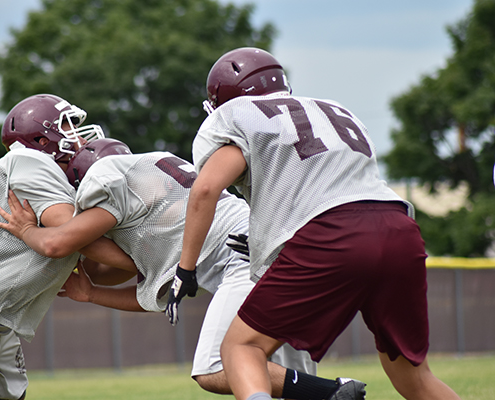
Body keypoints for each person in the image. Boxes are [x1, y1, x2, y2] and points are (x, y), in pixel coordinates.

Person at [168, 46, 462, 400]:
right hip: (398, 229)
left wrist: (185, 269)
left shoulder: (243, 118)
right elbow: (325, 185)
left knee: (239, 349)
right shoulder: (334, 111)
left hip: (331, 235)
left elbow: (206, 189)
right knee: (414, 378)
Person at [0, 138, 365, 399]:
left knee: (216, 367)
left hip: (245, 258)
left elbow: (62, 242)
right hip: (277, 251)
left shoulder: (106, 176)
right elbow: (154, 293)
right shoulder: (159, 205)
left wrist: (28, 229)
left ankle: (335, 391)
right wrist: (91, 293)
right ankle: (333, 392)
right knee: (280, 385)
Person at [0, 94, 133, 400]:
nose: (76, 135)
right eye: (67, 126)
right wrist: (145, 256)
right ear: (41, 138)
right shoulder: (27, 160)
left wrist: (143, 261)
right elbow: (65, 230)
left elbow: (97, 268)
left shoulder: (65, 182)